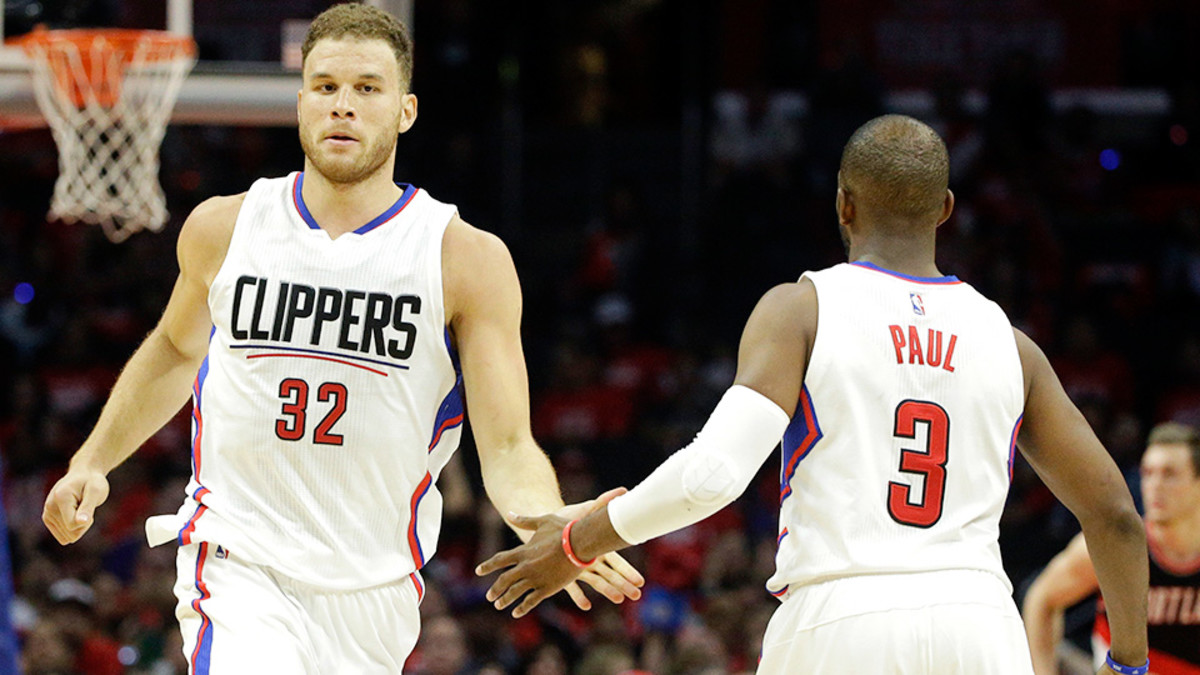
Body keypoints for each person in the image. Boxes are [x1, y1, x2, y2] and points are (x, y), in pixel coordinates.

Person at [40, 4, 642, 672]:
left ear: (405, 111)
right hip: (240, 564)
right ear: (300, 103)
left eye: (366, 88)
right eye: (325, 86)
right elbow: (176, 349)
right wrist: (92, 461)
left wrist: (543, 515)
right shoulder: (225, 227)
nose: (343, 105)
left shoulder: (464, 258)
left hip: (375, 591)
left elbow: (505, 442)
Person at [476, 114, 1149, 674]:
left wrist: (579, 541)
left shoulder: (802, 309)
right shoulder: (1011, 343)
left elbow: (712, 475)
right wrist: (1128, 664)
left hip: (841, 619)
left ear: (843, 205)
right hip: (980, 626)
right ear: (945, 209)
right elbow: (1115, 514)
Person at [1025, 422, 1200, 674]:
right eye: (1148, 473)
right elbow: (1042, 598)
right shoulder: (1119, 544)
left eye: (1169, 474)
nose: (1154, 485)